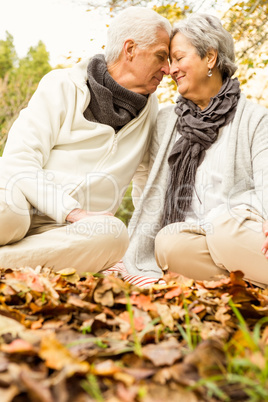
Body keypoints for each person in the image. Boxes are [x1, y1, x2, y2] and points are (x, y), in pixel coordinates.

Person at [0, 7, 171, 273]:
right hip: (18, 199)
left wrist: (156, 245)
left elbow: (147, 185)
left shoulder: (150, 112)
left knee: (114, 235)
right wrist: (72, 211)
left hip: (68, 232)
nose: (168, 69)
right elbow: (18, 161)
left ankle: (9, 264)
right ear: (130, 49)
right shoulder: (62, 85)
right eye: (161, 56)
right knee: (9, 219)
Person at [124, 13, 268, 287]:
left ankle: (249, 273)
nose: (171, 69)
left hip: (241, 232)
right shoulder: (167, 122)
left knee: (224, 229)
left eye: (178, 58)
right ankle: (248, 283)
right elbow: (146, 187)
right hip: (197, 238)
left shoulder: (254, 118)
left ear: (210, 58)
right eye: (169, 61)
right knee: (169, 242)